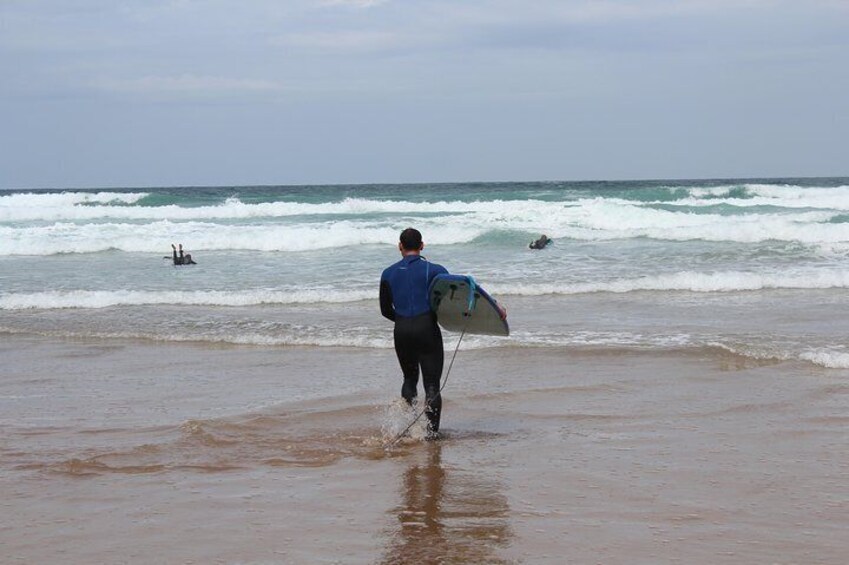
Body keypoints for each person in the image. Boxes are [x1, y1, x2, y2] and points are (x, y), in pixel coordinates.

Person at [380, 228, 448, 438]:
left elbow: (385, 310)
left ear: (400, 246)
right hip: (427, 328)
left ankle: (409, 429)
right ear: (422, 245)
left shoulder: (388, 273)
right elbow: (451, 303)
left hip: (401, 331)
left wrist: (404, 321)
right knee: (431, 384)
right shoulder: (436, 271)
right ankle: (431, 434)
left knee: (409, 379)